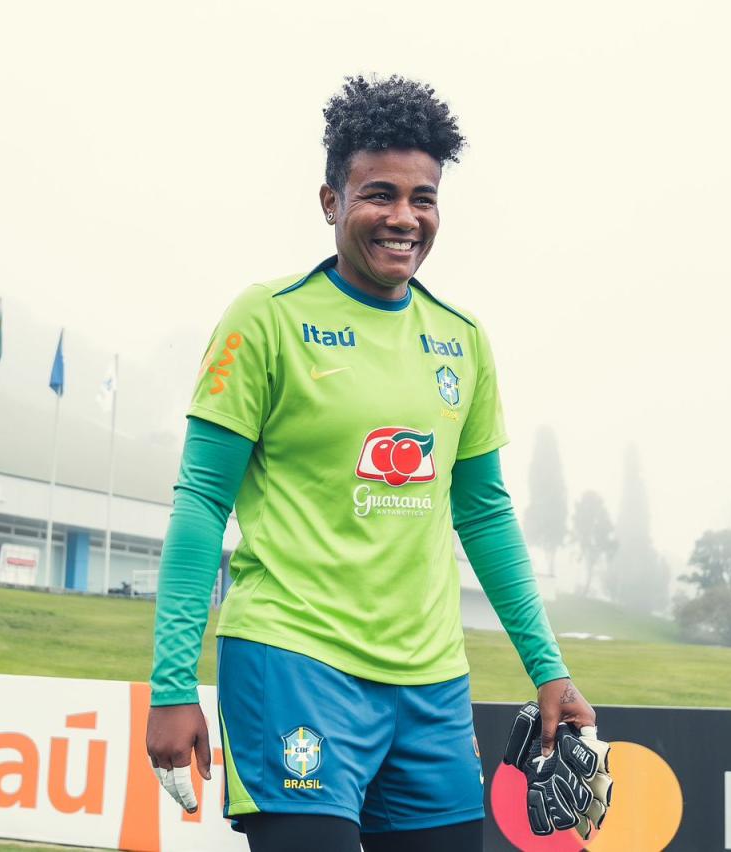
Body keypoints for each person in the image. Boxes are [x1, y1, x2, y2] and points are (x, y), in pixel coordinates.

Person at [146, 75, 596, 852]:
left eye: (423, 199)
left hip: (432, 686)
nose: (403, 218)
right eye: (379, 194)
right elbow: (201, 501)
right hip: (294, 662)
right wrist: (171, 683)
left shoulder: (462, 339)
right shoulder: (267, 319)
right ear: (331, 201)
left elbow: (484, 513)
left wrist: (548, 669)